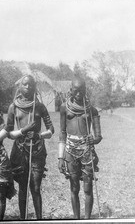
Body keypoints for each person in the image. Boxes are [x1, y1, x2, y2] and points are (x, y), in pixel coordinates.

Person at [0, 75, 54, 219]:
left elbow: (51, 130)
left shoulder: (40, 107)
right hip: (20, 151)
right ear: (20, 87)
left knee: (36, 188)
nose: (28, 87)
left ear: (35, 87)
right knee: (22, 188)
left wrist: (39, 135)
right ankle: (23, 219)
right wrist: (23, 130)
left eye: (31, 85)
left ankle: (39, 220)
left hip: (37, 150)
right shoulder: (13, 107)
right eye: (25, 85)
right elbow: (8, 132)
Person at [58, 77, 102, 219]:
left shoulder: (92, 110)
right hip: (70, 151)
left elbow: (98, 136)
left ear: (85, 91)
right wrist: (60, 157)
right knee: (74, 187)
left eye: (81, 90)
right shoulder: (64, 107)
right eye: (75, 90)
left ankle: (87, 219)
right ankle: (76, 219)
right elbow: (62, 132)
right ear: (71, 90)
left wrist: (93, 140)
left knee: (88, 189)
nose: (78, 94)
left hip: (86, 151)